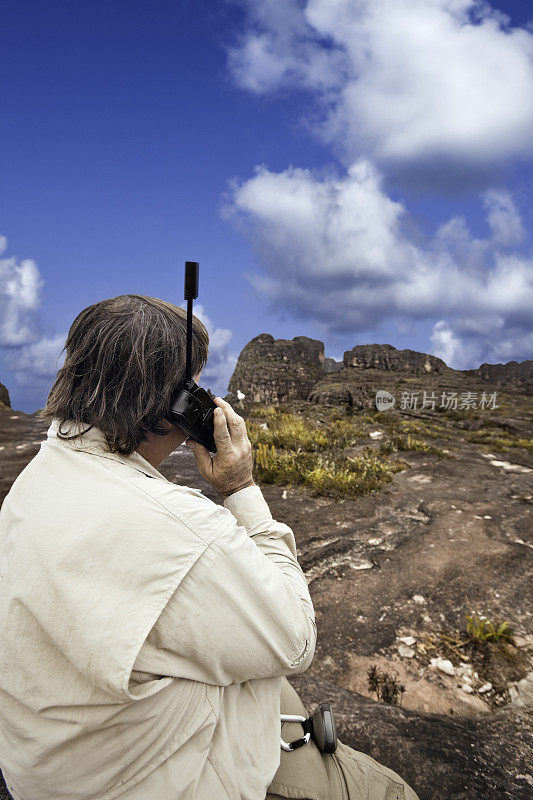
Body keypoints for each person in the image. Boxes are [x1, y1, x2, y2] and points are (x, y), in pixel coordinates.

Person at [0, 295, 419, 800]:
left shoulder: (41, 473)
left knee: (269, 680)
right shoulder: (183, 529)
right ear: (170, 405)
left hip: (50, 766)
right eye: (191, 387)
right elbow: (297, 641)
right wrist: (240, 486)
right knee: (391, 791)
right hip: (151, 780)